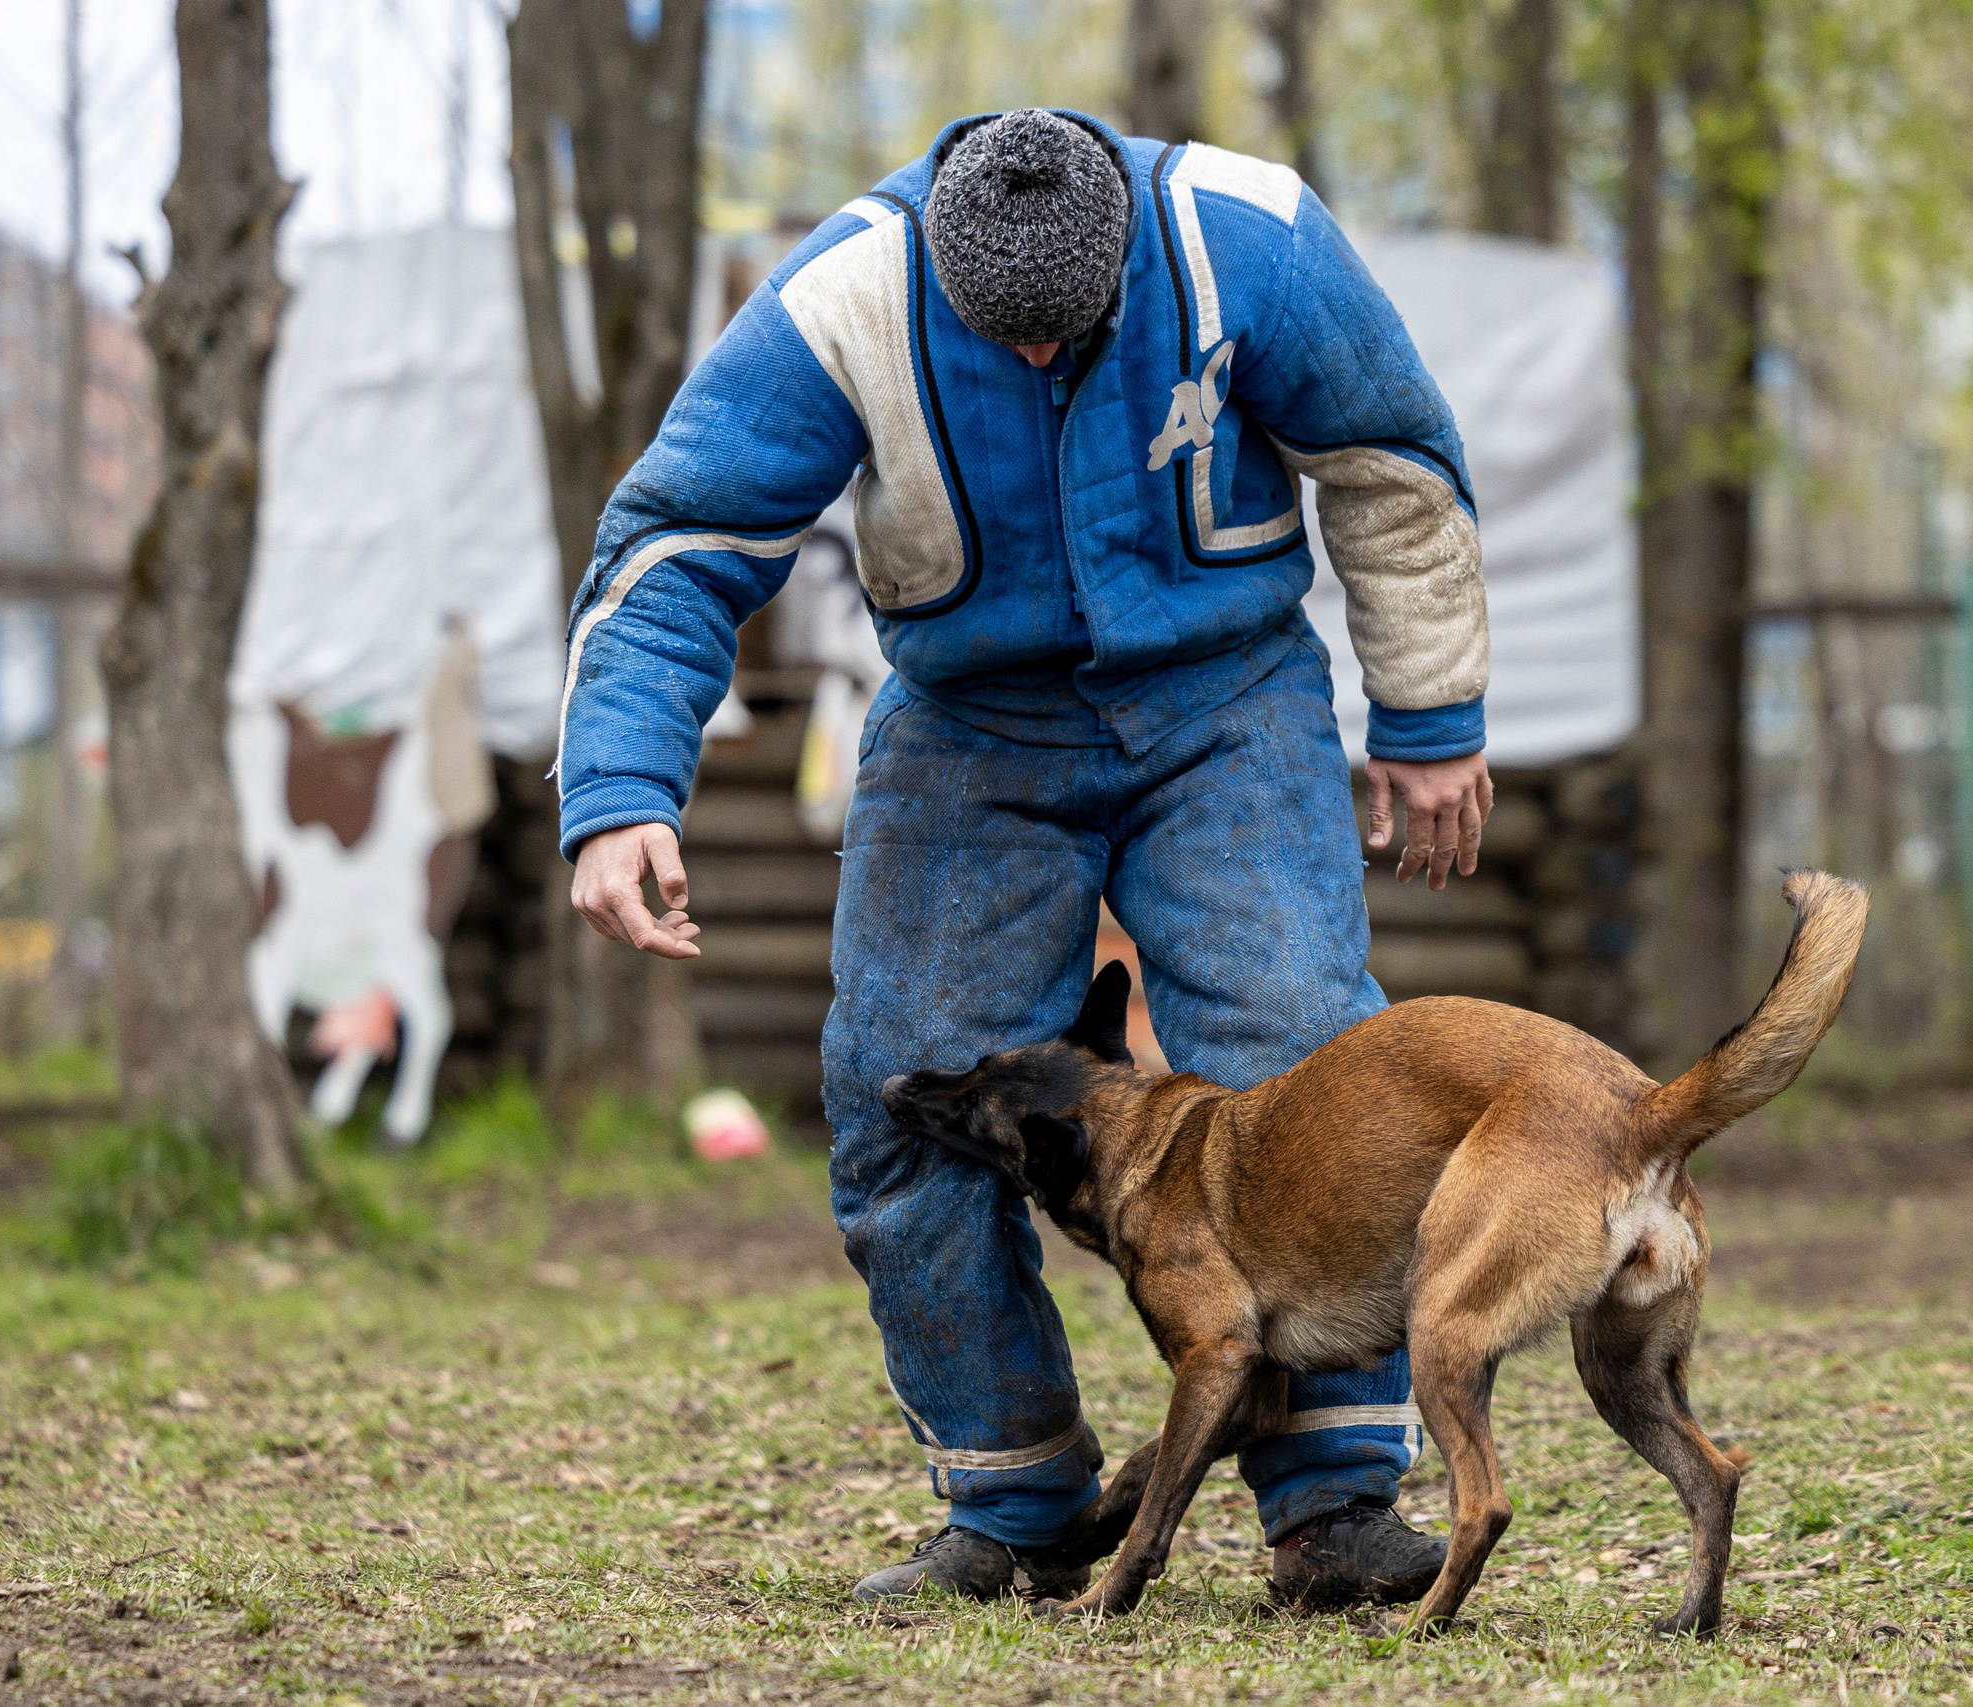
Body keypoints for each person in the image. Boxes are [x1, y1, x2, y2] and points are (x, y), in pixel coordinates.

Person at [560, 108, 1494, 1608]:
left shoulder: (1249, 239)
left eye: (1079, 336)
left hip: (1227, 700)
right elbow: (679, 544)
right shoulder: (843, 298)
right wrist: (619, 788)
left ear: (1126, 256)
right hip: (970, 722)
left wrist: (1432, 708)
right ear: (946, 279)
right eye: (1014, 347)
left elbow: (1391, 463)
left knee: (1309, 1058)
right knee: (901, 1086)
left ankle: (1331, 1508)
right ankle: (1015, 1499)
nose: (1049, 365)